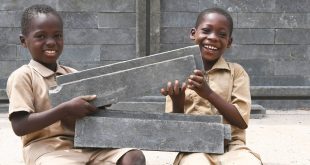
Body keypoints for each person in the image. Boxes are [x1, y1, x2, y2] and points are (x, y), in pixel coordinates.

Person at [6, 4, 145, 165]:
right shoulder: (23, 76)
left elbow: (89, 114)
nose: (51, 42)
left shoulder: (72, 74)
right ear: (24, 41)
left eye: (57, 35)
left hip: (84, 145)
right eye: (41, 36)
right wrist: (65, 109)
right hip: (46, 150)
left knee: (134, 157)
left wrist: (100, 103)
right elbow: (19, 126)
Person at [160, 7, 262, 165]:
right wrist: (177, 100)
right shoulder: (178, 74)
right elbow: (175, 128)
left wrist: (208, 93)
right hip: (193, 148)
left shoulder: (237, 72)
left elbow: (242, 121)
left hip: (232, 147)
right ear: (193, 33)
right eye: (206, 31)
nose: (213, 38)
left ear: (229, 42)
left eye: (222, 34)